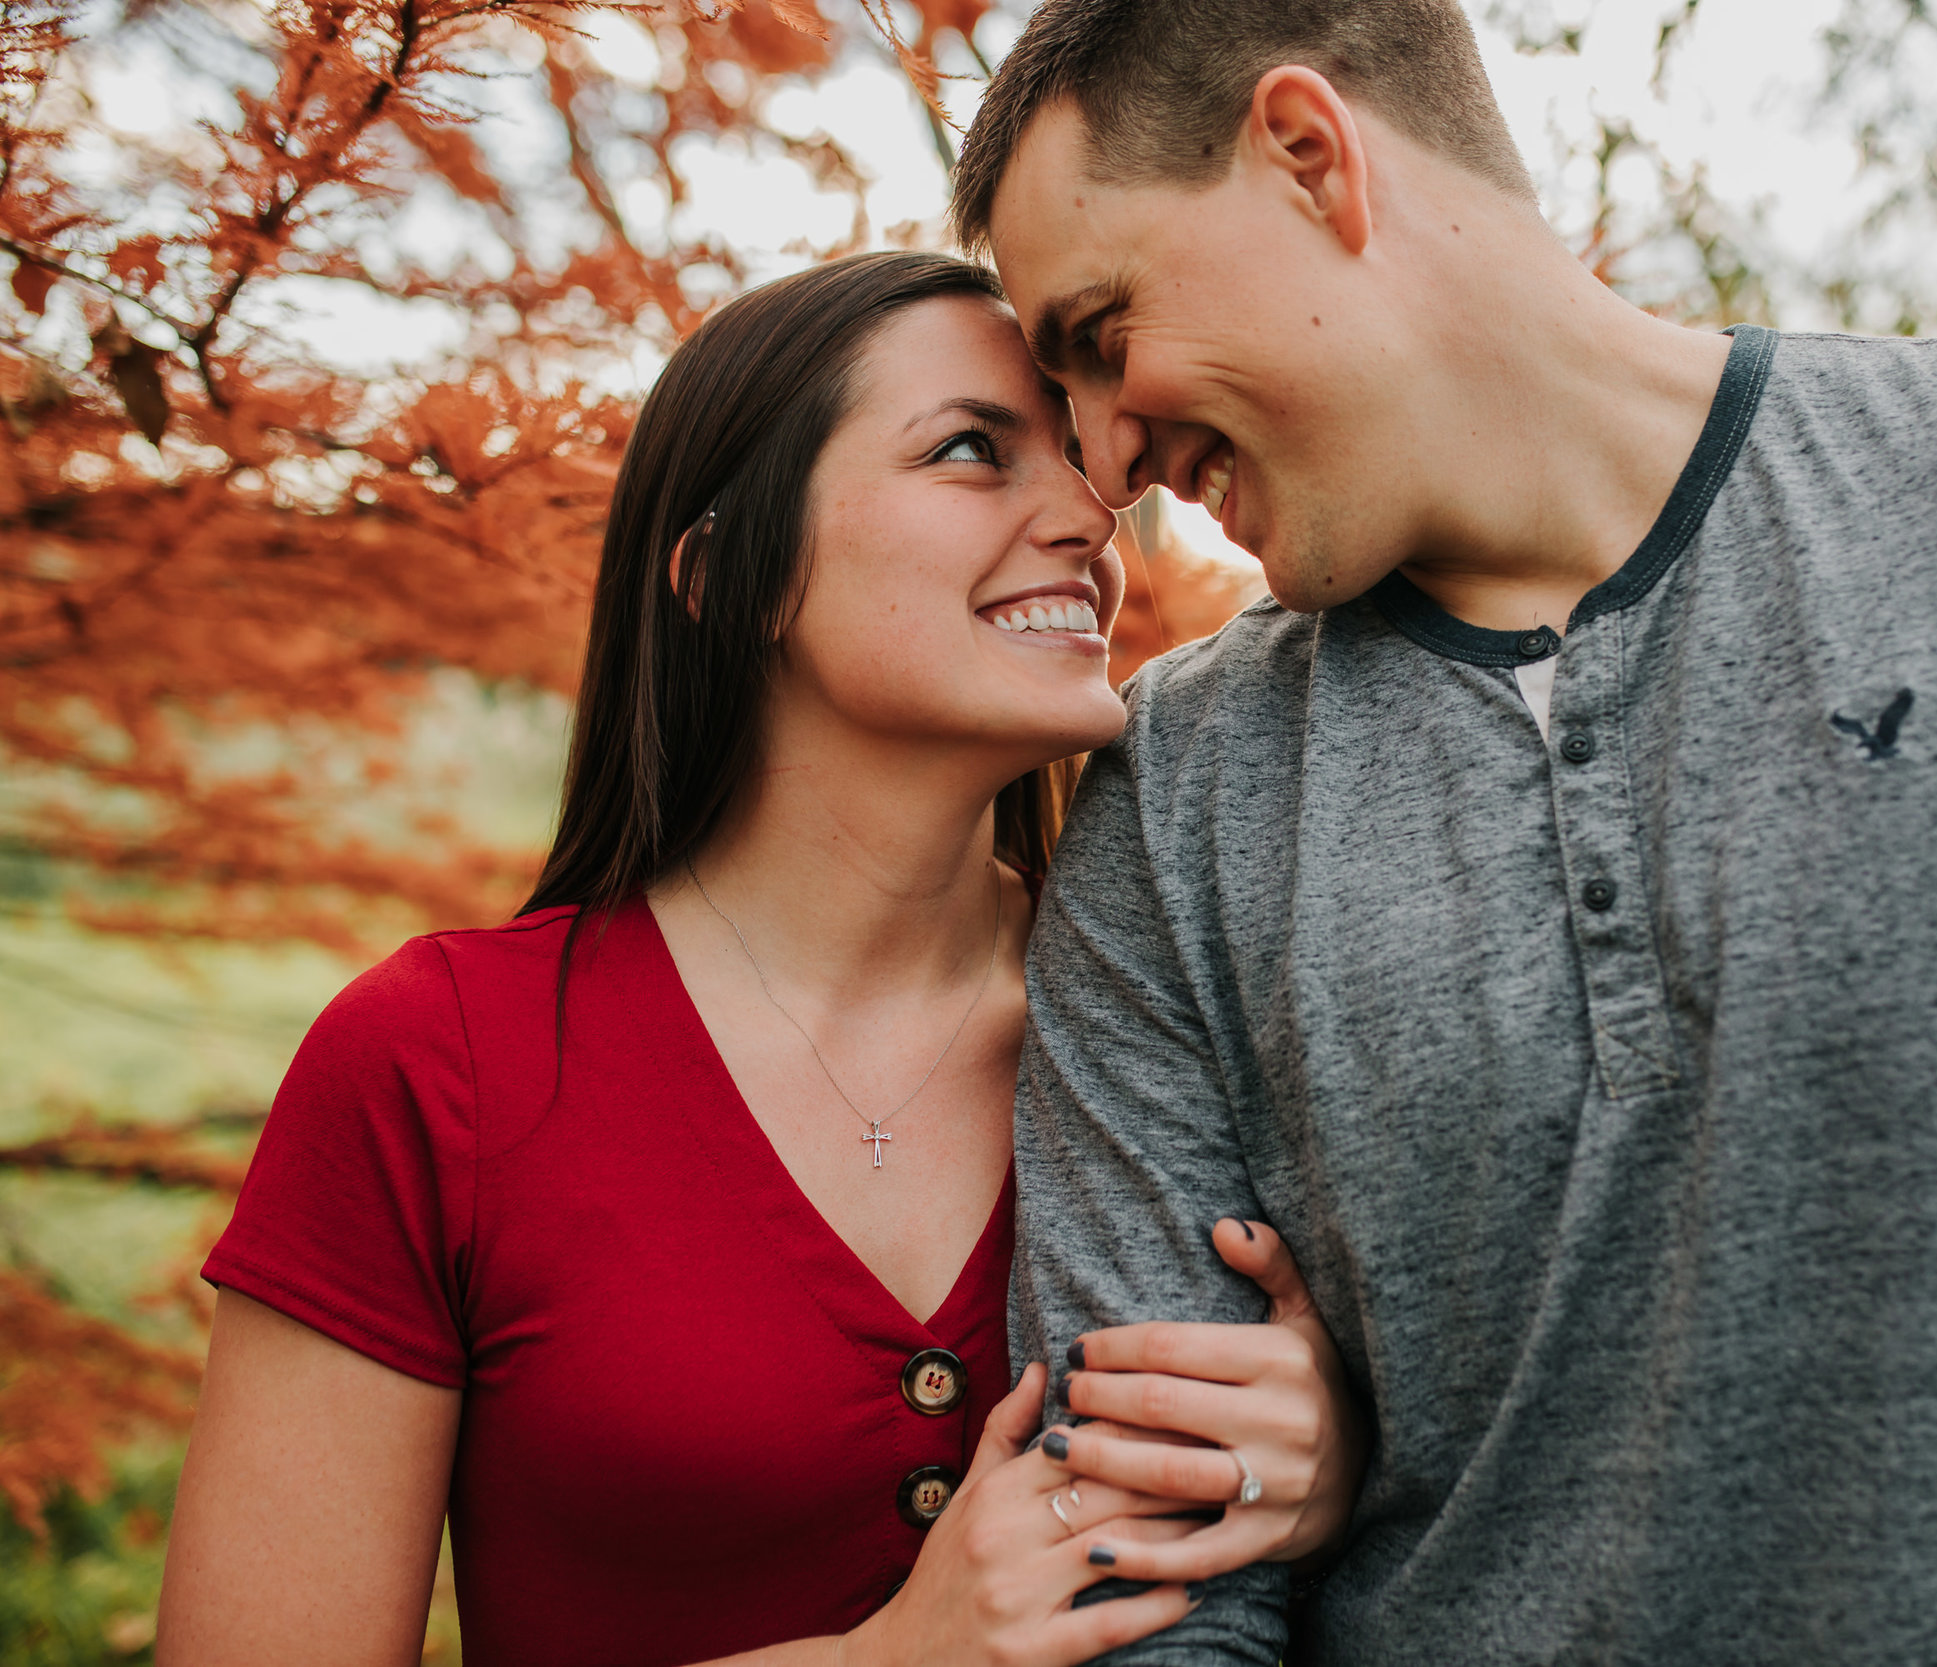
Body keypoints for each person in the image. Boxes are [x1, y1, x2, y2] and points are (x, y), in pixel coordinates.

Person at [946, 2, 1937, 1662]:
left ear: (1312, 158)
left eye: (1105, 331)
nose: (1104, 458)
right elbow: (1153, 1579)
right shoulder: (1175, 799)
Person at [157, 251, 1360, 1667]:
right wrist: (881, 1662)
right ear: (732, 576)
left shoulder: (1206, 1012)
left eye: (1083, 461)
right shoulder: (435, 1065)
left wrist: (1343, 1466)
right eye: (974, 450)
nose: (1090, 517)